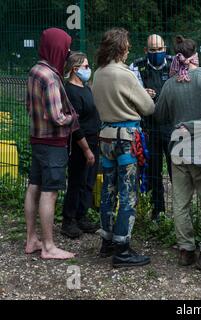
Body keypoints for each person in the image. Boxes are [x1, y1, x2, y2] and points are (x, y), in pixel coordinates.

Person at [155, 35, 201, 274]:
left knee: (181, 202)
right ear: (197, 54)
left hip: (178, 151)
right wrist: (198, 125)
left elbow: (160, 115)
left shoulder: (170, 84)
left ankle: (185, 249)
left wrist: (184, 123)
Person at [92, 28, 155, 268]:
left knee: (108, 191)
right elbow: (148, 107)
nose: (129, 48)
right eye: (127, 44)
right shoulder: (125, 73)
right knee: (128, 194)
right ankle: (123, 249)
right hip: (126, 139)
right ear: (120, 47)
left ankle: (106, 242)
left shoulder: (98, 73)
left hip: (105, 137)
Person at [24, 28, 79, 259]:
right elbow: (57, 116)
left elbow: (29, 106)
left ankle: (31, 239)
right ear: (58, 48)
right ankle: (48, 247)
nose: (67, 53)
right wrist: (73, 118)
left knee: (34, 187)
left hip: (37, 139)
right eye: (65, 48)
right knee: (50, 192)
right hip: (53, 143)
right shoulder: (51, 77)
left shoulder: (35, 70)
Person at [129, 34, 173, 220]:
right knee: (154, 171)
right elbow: (131, 94)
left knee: (177, 171)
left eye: (160, 49)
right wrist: (142, 93)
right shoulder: (137, 66)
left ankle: (181, 214)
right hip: (150, 127)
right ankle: (158, 212)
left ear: (165, 48)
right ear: (146, 51)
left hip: (173, 127)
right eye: (153, 50)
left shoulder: (175, 65)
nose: (157, 53)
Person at [61, 52, 100, 239]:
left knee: (88, 181)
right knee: (76, 181)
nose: (88, 69)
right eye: (85, 66)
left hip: (94, 139)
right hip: (80, 143)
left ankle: (81, 215)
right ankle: (68, 220)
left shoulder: (86, 88)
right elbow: (75, 125)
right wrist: (86, 149)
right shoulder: (70, 91)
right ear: (75, 69)